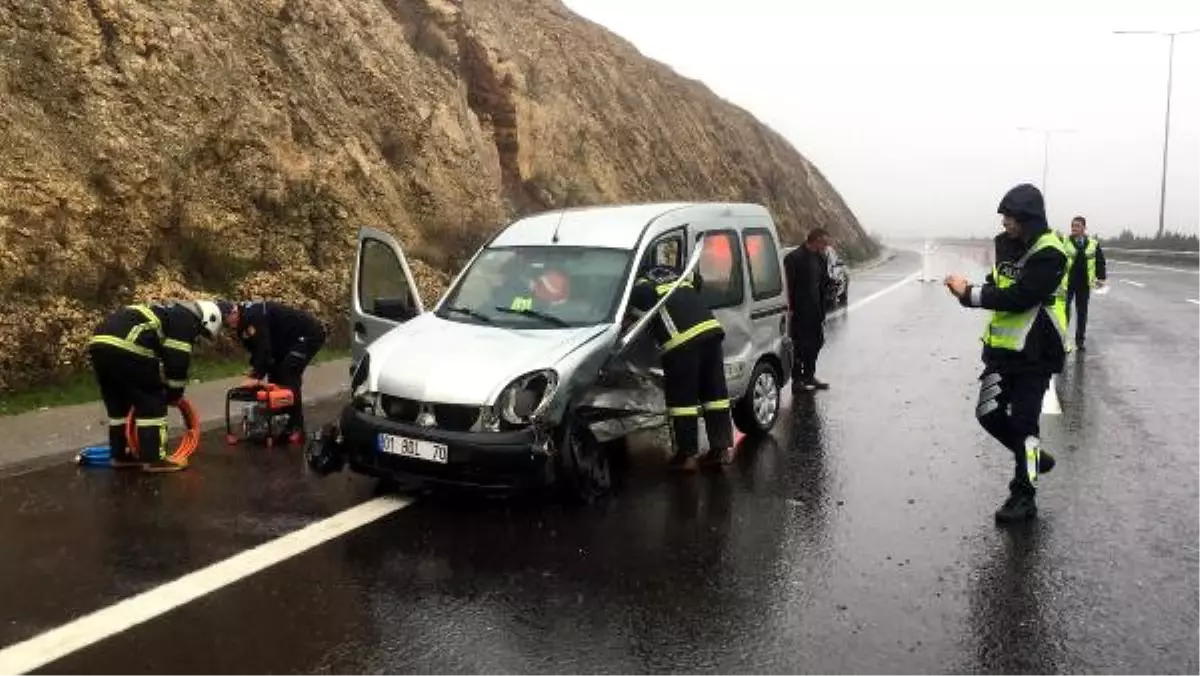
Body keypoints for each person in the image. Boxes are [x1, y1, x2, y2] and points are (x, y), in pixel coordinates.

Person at [943, 183, 1068, 523]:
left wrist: (969, 294)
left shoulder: (1050, 252)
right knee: (987, 413)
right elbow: (1001, 283)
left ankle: (1024, 495)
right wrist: (978, 285)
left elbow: (1020, 297)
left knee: (1026, 424)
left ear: (1027, 217)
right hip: (1002, 351)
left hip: (1037, 354)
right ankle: (1034, 458)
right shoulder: (1009, 246)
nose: (1004, 224)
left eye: (1009, 217)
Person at [87, 299, 224, 471]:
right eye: (200, 334)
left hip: (99, 345)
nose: (196, 338)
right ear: (205, 320)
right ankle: (154, 459)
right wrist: (174, 393)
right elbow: (177, 360)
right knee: (152, 401)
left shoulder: (168, 312)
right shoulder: (186, 319)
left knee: (119, 407)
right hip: (128, 345)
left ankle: (120, 456)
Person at [626, 264, 734, 472]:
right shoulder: (674, 272)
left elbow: (632, 319)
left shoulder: (641, 288)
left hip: (682, 341)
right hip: (710, 331)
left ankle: (687, 456)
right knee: (715, 395)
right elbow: (698, 280)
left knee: (682, 400)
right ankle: (721, 450)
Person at [218, 300, 326, 444]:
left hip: (309, 334)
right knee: (274, 373)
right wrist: (255, 371)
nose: (228, 325)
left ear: (234, 311)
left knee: (289, 371)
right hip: (285, 341)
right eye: (225, 324)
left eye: (227, 320)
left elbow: (264, 349)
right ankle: (281, 419)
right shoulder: (241, 326)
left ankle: (297, 427)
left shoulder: (253, 316)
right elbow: (257, 352)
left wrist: (256, 376)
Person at [784, 228, 833, 391]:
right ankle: (797, 380)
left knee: (817, 342)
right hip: (799, 311)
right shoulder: (794, 258)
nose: (826, 246)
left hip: (816, 310)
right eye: (824, 243)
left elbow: (823, 280)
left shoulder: (820, 258)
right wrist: (789, 308)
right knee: (799, 346)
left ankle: (809, 375)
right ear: (816, 240)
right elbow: (788, 286)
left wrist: (831, 285)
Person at [1063, 215, 1107, 351]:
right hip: (1067, 283)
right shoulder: (1064, 241)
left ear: (1084, 228)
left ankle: (1080, 340)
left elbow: (1100, 261)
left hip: (1084, 284)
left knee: (1082, 313)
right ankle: (1063, 340)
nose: (1074, 228)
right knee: (1064, 312)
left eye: (1077, 225)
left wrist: (1101, 278)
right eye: (1072, 225)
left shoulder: (1093, 243)